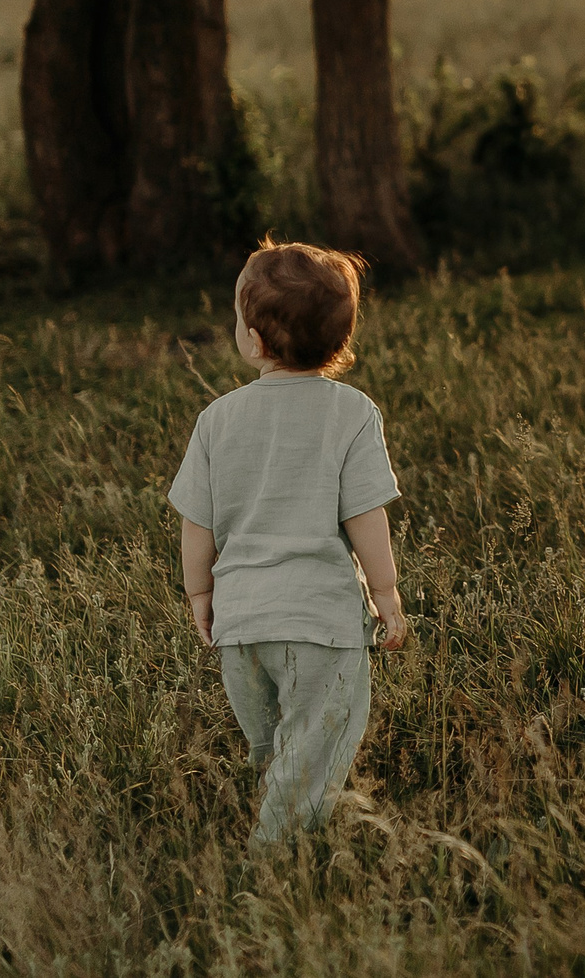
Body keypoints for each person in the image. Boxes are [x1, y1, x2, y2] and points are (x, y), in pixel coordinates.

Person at [170, 238, 407, 845]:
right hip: (319, 625)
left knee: (274, 740)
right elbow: (365, 516)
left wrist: (201, 595)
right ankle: (275, 858)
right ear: (341, 340)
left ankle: (277, 802)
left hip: (242, 628)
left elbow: (196, 522)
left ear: (253, 339)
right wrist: (385, 593)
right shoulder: (352, 413)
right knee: (314, 743)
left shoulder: (217, 420)